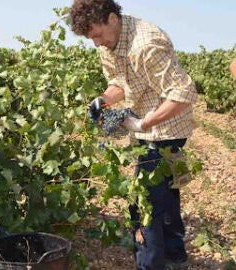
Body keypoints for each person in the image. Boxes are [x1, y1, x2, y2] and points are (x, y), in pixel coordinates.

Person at [70, 0, 198, 269]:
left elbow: (184, 94)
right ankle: (176, 256)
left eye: (97, 35)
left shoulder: (147, 44)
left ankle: (149, 264)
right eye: (90, 38)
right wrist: (103, 99)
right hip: (146, 120)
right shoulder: (110, 43)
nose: (95, 43)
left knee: (145, 201)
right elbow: (120, 82)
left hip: (168, 126)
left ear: (112, 19)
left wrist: (144, 124)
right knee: (166, 190)